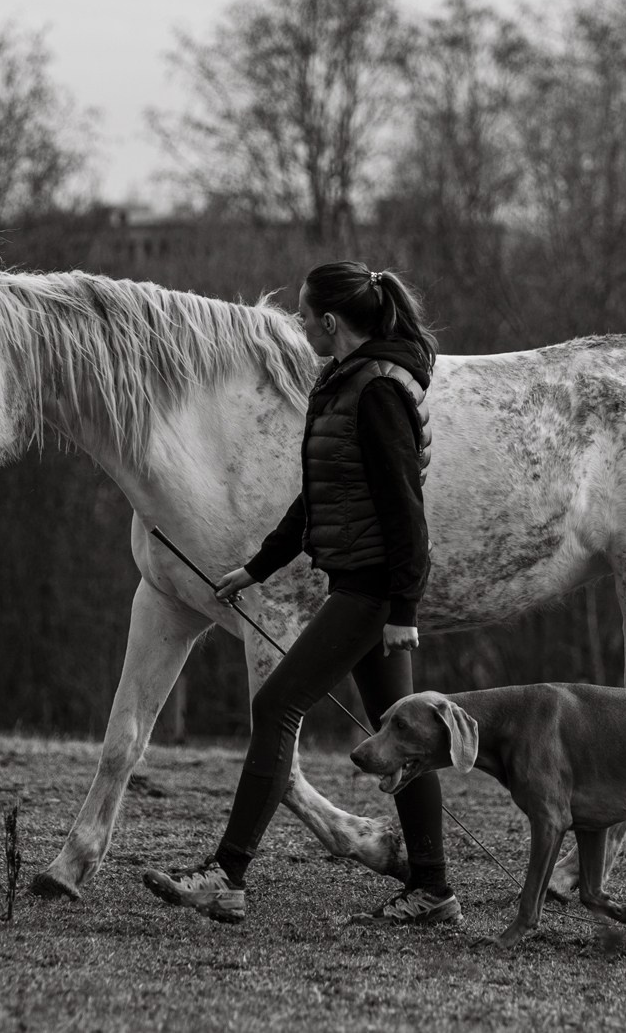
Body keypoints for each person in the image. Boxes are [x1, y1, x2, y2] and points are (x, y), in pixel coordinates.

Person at [142, 260, 455, 926]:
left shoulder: (378, 390)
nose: (299, 323)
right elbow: (317, 495)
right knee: (403, 732)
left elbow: (406, 510)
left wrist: (402, 611)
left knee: (277, 702)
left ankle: (227, 875)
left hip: (373, 589)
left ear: (331, 322)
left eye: (305, 314)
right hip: (355, 579)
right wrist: (257, 567)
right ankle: (433, 889)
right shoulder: (341, 382)